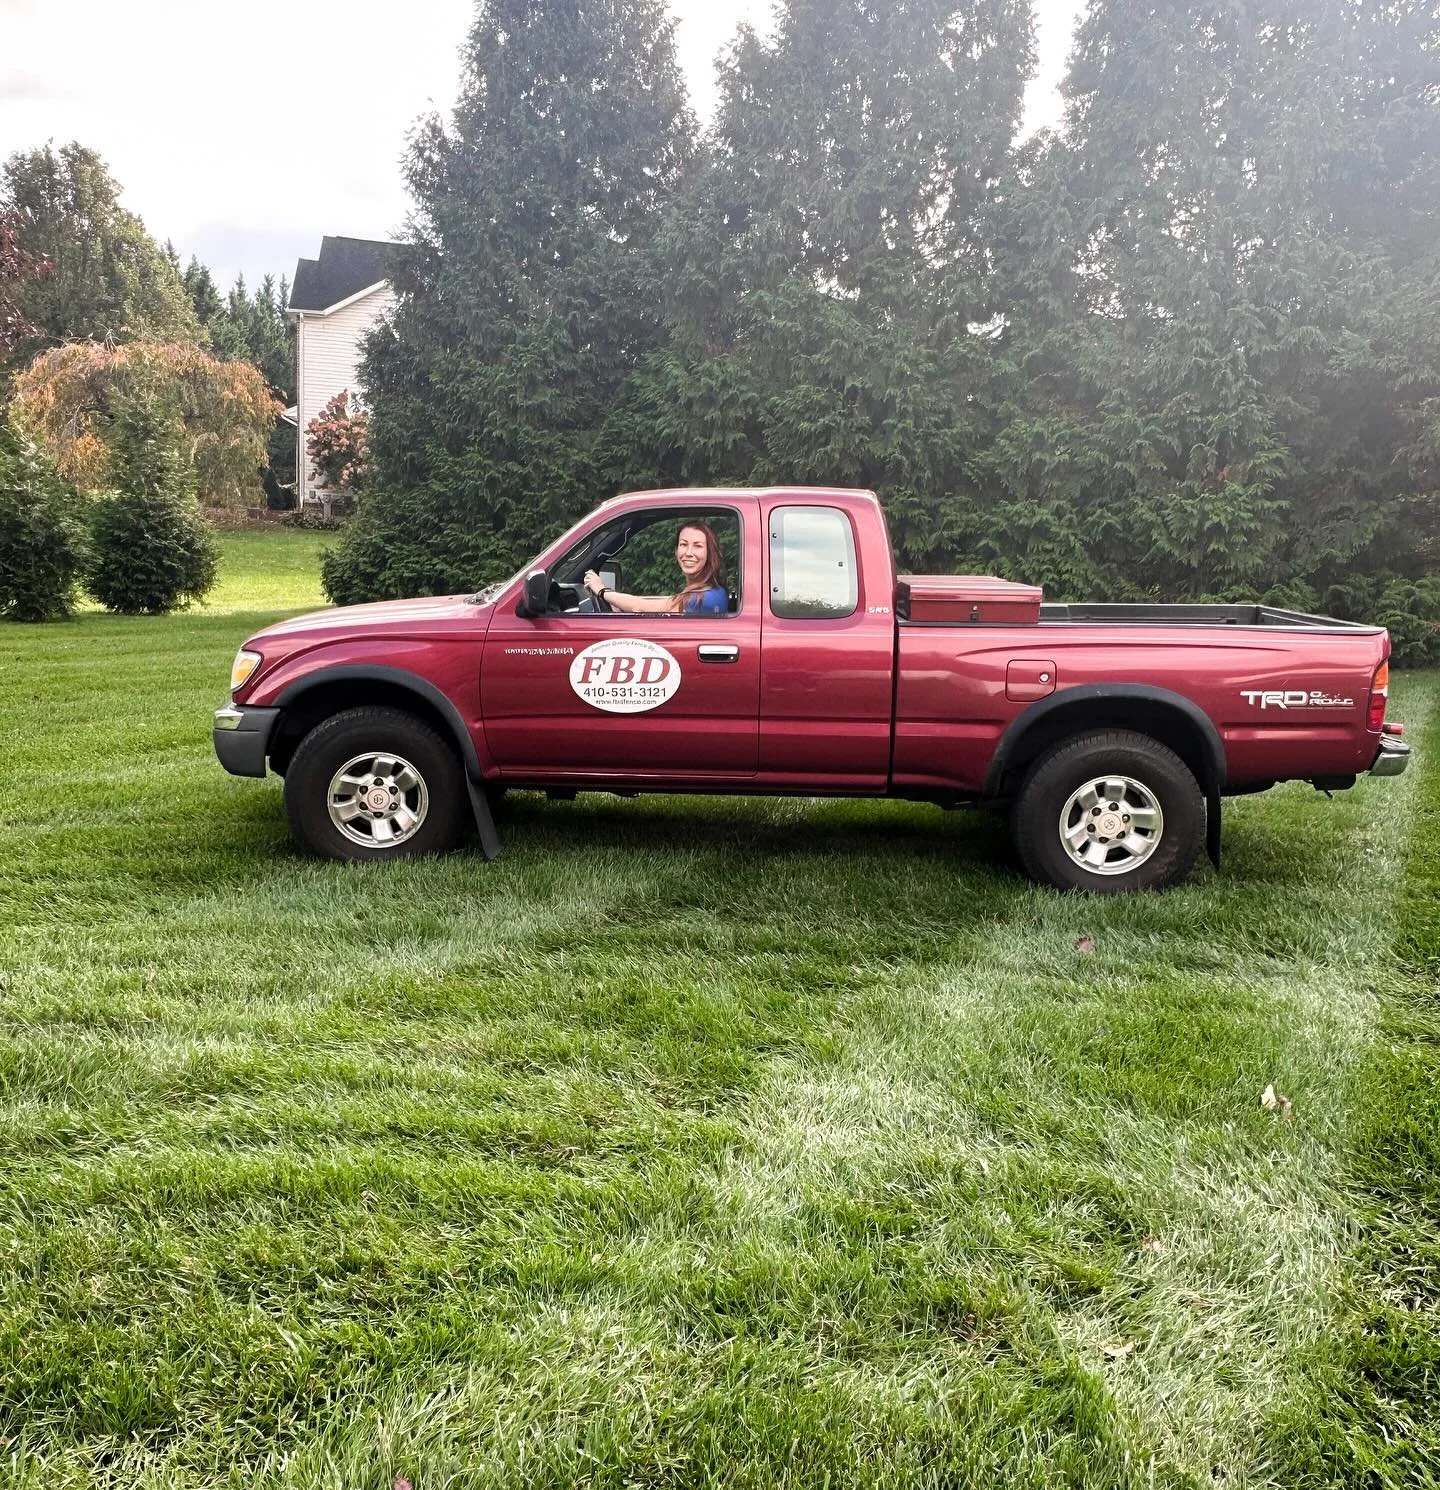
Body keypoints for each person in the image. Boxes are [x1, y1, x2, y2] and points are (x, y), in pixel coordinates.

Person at [584, 521, 730, 615]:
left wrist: (602, 591)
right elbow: (667, 602)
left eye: (698, 546)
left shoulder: (703, 599)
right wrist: (617, 604)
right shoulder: (713, 591)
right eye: (684, 544)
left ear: (710, 552)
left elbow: (641, 606)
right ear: (676, 550)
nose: (688, 553)